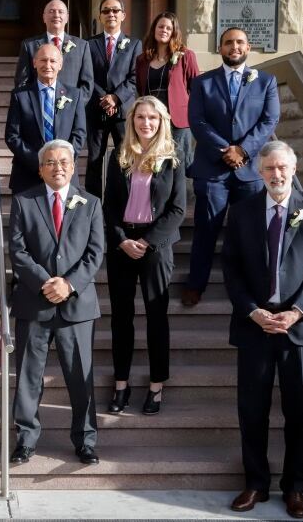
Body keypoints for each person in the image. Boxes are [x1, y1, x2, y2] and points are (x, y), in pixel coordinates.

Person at [222, 141, 303, 519]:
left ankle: (295, 488)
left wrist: (297, 312)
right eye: (269, 168)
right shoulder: (241, 213)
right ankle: (255, 482)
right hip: (255, 326)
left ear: (294, 168)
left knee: (297, 413)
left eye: (283, 167)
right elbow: (232, 270)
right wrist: (252, 311)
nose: (277, 174)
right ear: (259, 171)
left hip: (300, 330)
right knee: (251, 411)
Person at [8, 140, 104, 466]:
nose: (57, 166)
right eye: (50, 162)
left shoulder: (90, 203)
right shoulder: (24, 202)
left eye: (63, 161)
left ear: (74, 166)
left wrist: (69, 284)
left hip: (77, 307)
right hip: (34, 303)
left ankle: (86, 440)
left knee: (81, 377)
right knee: (28, 377)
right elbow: (18, 252)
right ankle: (25, 440)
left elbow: (95, 252)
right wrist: (45, 283)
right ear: (40, 168)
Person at [182, 27, 280, 307]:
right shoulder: (203, 83)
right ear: (220, 48)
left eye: (239, 43)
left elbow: (269, 120)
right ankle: (196, 284)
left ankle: (252, 287)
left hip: (249, 171)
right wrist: (226, 150)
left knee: (251, 230)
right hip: (213, 169)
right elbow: (197, 121)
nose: (234, 47)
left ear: (248, 47)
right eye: (228, 43)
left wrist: (243, 150)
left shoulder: (265, 82)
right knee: (206, 228)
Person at [103, 97, 186, 416]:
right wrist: (122, 239)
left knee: (156, 316)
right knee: (121, 318)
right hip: (122, 244)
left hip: (156, 245)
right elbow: (108, 205)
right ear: (132, 120)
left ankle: (156, 386)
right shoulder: (119, 157)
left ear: (162, 120)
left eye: (152, 117)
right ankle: (121, 383)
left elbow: (178, 209)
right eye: (140, 117)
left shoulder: (173, 157)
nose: (146, 122)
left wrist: (148, 241)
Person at [5, 43, 86, 194]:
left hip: (63, 175)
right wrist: (40, 162)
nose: (47, 65)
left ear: (60, 65)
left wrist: (61, 163)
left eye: (53, 61)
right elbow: (12, 136)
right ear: (34, 63)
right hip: (28, 174)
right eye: (43, 60)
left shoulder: (74, 95)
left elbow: (79, 133)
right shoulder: (20, 95)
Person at [85, 0, 142, 198]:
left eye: (115, 10)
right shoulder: (88, 44)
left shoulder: (134, 45)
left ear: (123, 15)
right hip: (96, 110)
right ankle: (92, 207)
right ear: (100, 16)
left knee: (124, 159)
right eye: (106, 11)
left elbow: (135, 76)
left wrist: (116, 98)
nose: (111, 14)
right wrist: (105, 98)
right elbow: (86, 76)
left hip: (122, 112)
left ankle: (119, 205)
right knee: (94, 160)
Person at [135, 12, 199, 168]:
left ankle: (182, 193)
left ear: (174, 32)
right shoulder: (142, 60)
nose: (164, 30)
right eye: (160, 26)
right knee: (154, 163)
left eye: (168, 28)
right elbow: (139, 88)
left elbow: (197, 88)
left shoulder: (186, 56)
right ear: (154, 30)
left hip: (178, 121)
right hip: (152, 121)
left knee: (180, 164)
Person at [14, 0, 93, 104]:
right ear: (44, 17)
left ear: (67, 18)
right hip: (39, 109)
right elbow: (22, 82)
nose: (56, 15)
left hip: (70, 112)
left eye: (60, 12)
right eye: (51, 11)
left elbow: (87, 84)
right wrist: (33, 105)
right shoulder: (29, 46)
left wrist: (72, 106)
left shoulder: (82, 46)